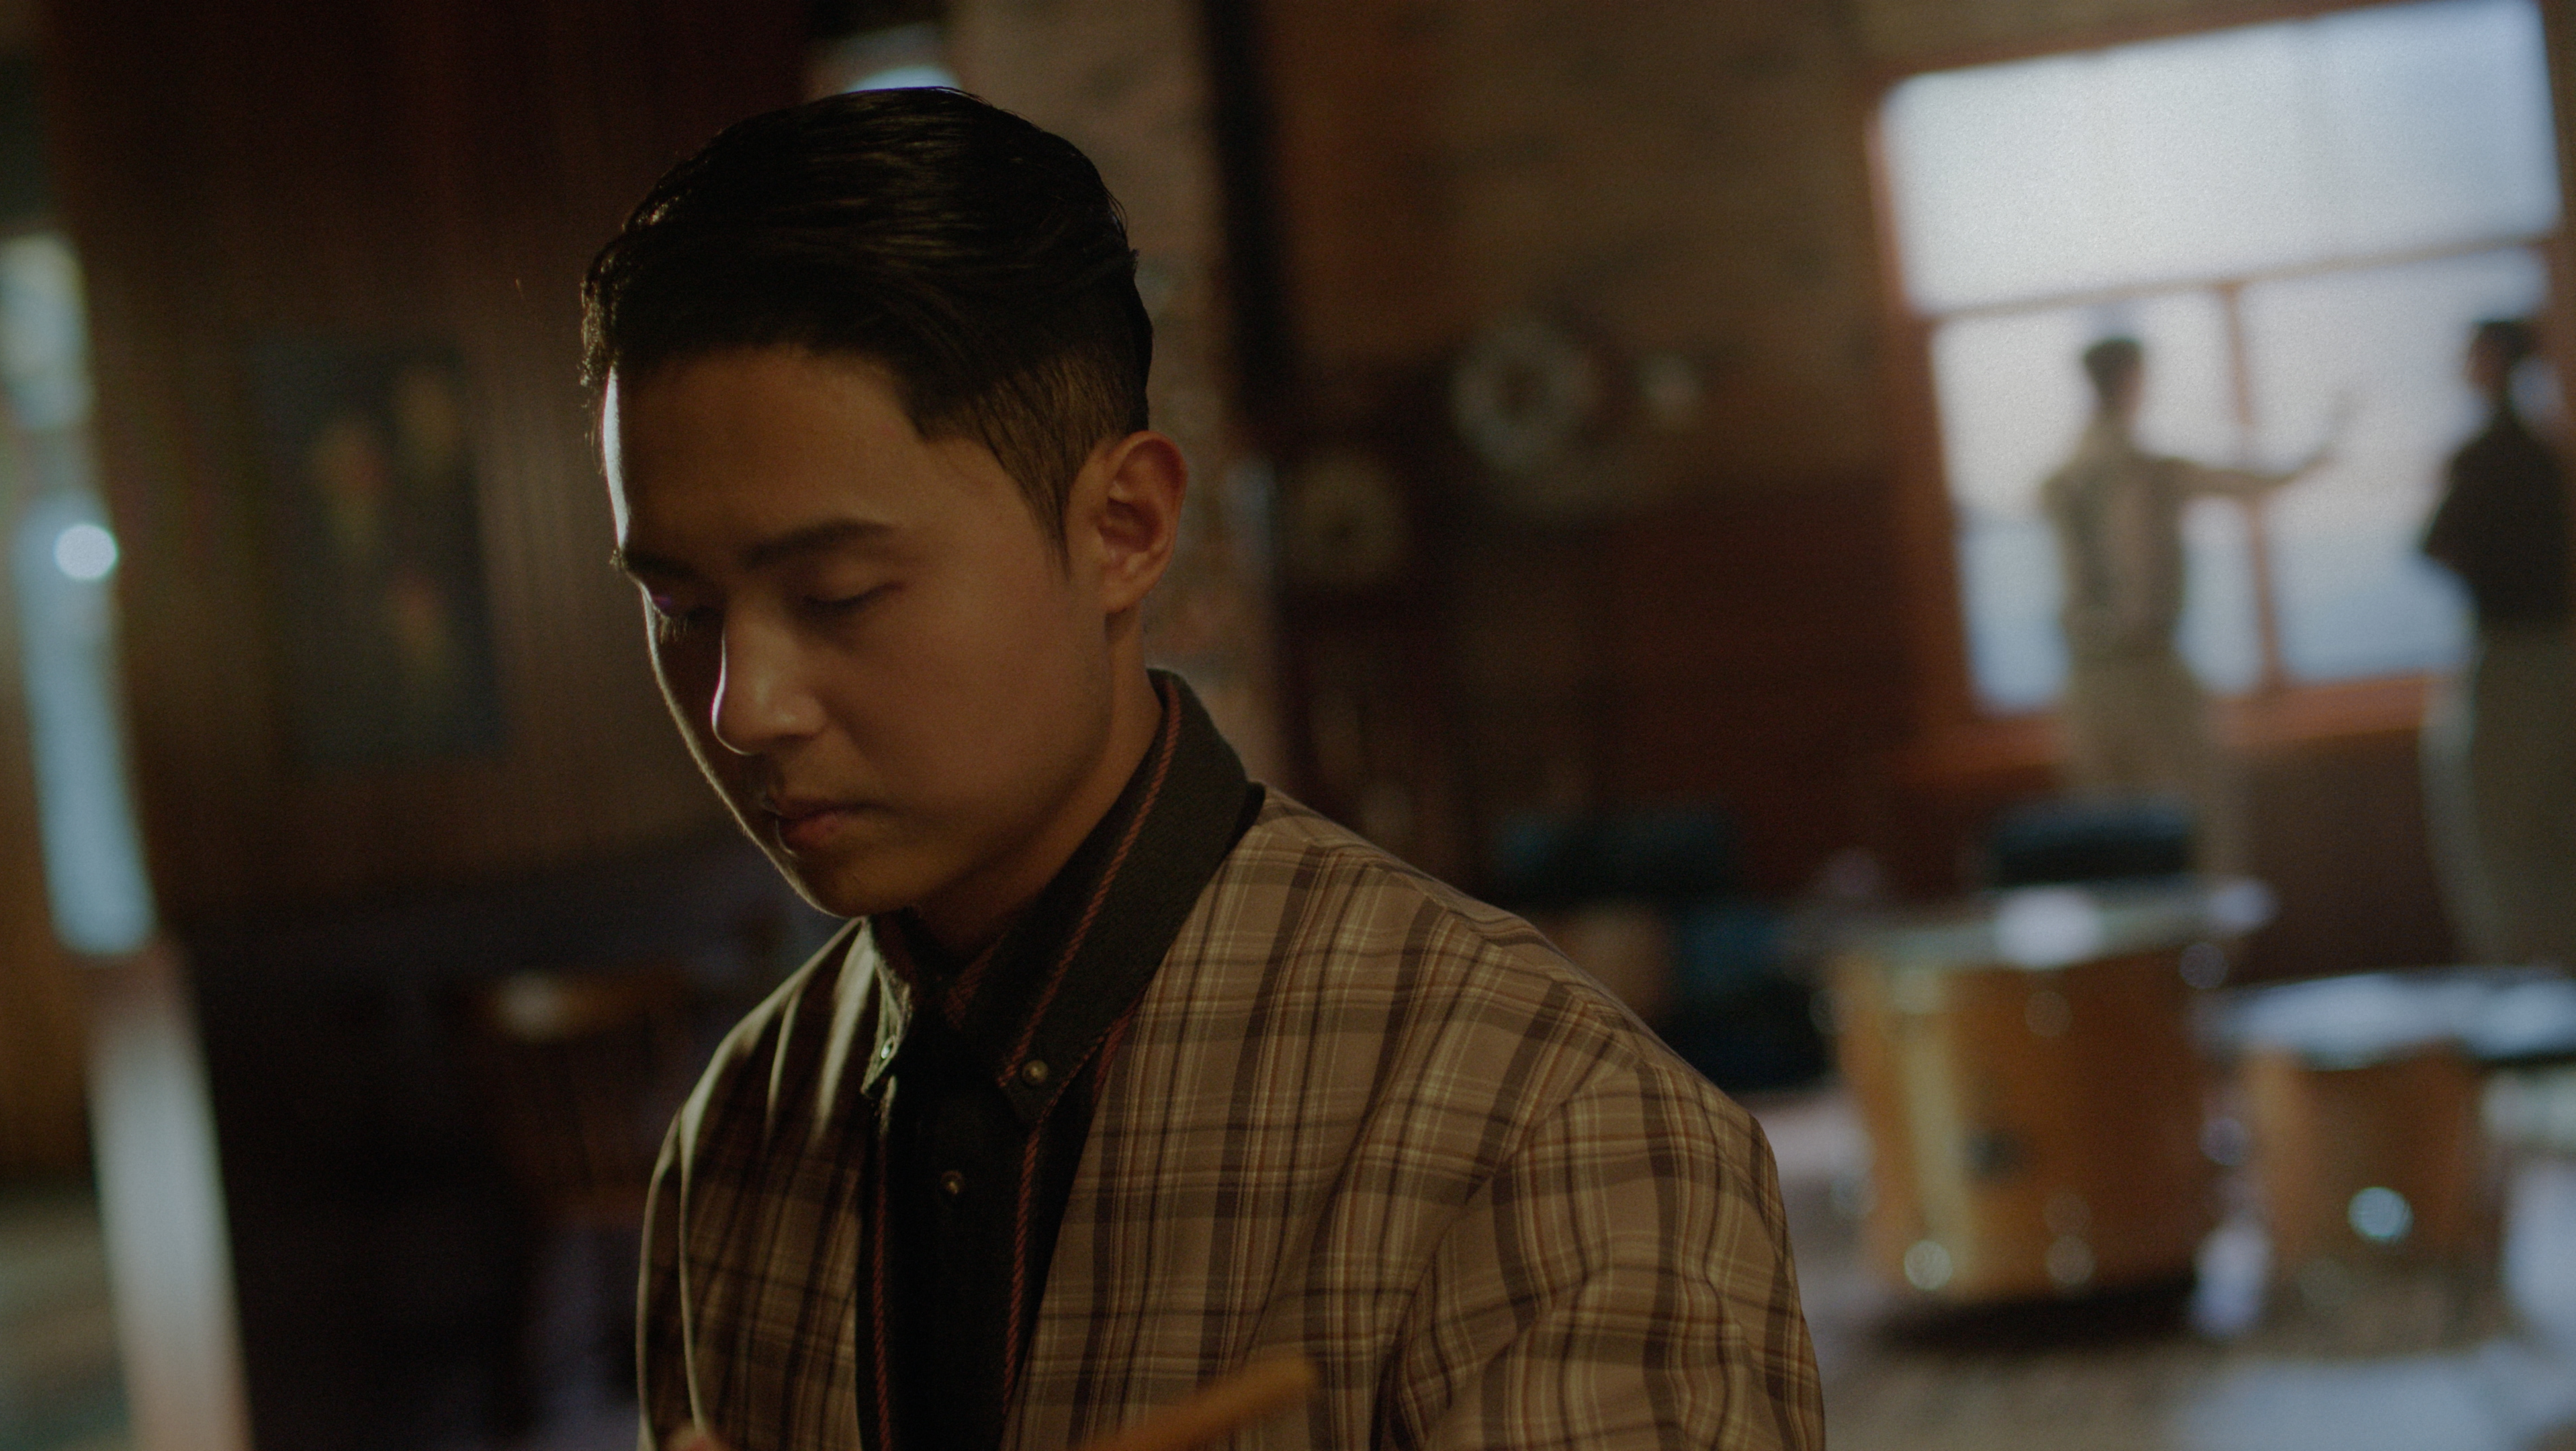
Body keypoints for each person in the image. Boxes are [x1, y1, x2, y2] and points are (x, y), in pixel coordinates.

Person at [582, 89, 1822, 1451]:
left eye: (839, 594)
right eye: (681, 609)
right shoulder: (740, 1136)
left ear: (1123, 528)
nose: (743, 706)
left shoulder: (1540, 1130)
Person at [2040, 337, 2323, 875]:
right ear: (2132, 381)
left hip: (2090, 681)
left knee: (2116, 835)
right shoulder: (2143, 474)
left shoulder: (2065, 481)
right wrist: (2314, 458)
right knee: (2197, 826)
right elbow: (2248, 484)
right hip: (2142, 671)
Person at [2419, 317, 2576, 964]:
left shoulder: (2493, 455)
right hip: (2549, 651)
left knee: (2503, 827)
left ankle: (2527, 970)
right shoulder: (2546, 453)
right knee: (2549, 817)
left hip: (2516, 653)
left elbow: (2435, 545)